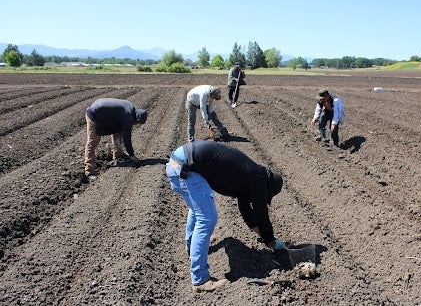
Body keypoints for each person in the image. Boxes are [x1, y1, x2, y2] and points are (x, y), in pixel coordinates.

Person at [166, 141, 285, 292]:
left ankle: (192, 248)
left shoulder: (250, 175)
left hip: (175, 164)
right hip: (187, 168)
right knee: (207, 218)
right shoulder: (259, 179)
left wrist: (260, 233)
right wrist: (270, 240)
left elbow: (245, 209)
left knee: (198, 209)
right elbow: (261, 213)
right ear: (269, 188)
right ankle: (200, 278)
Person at [84, 98, 147, 180]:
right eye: (137, 123)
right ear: (136, 120)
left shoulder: (130, 107)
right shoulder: (128, 116)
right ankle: (89, 171)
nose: (135, 125)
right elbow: (127, 137)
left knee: (118, 130)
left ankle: (118, 154)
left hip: (103, 112)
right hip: (94, 115)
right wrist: (132, 155)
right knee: (92, 142)